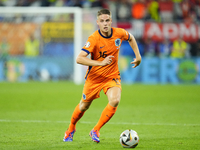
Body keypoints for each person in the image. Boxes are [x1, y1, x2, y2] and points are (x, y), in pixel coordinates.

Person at [63, 9, 141, 143]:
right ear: (97, 22)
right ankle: (71, 129)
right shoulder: (93, 39)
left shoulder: (119, 33)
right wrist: (100, 63)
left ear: (111, 21)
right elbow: (79, 59)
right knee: (83, 106)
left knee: (115, 100)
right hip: (94, 78)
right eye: (102, 21)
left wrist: (138, 56)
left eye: (107, 20)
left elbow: (131, 38)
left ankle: (96, 129)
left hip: (112, 76)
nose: (105, 24)